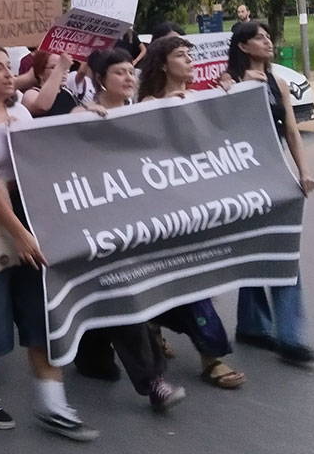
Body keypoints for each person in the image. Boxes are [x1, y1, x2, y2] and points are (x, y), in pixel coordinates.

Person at [0, 45, 99, 441]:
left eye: (7, 67)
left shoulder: (20, 113)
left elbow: (40, 160)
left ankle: (52, 402)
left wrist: (89, 116)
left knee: (40, 314)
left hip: (26, 219)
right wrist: (18, 232)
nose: (6, 74)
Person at [69, 47, 187, 411]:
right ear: (100, 80)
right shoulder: (83, 113)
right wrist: (82, 115)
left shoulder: (142, 111)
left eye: (129, 71)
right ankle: (153, 381)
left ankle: (92, 357)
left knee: (128, 297)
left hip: (137, 223)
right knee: (126, 298)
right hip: (99, 227)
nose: (128, 77)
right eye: (118, 72)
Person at [136, 36, 248, 389]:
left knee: (199, 279)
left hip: (200, 205)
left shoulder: (202, 96)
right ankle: (211, 357)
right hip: (165, 210)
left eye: (190, 55)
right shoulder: (147, 104)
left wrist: (230, 94)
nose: (188, 61)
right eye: (180, 56)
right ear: (163, 64)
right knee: (185, 280)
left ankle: (158, 325)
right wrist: (171, 105)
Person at [223, 21, 314, 365]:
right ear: (243, 47)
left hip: (274, 174)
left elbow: (292, 132)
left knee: (282, 249)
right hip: (241, 180)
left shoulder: (277, 83)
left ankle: (280, 332)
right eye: (259, 37)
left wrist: (303, 171)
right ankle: (264, 328)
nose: (268, 41)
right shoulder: (228, 83)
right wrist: (236, 90)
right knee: (256, 251)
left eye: (268, 35)